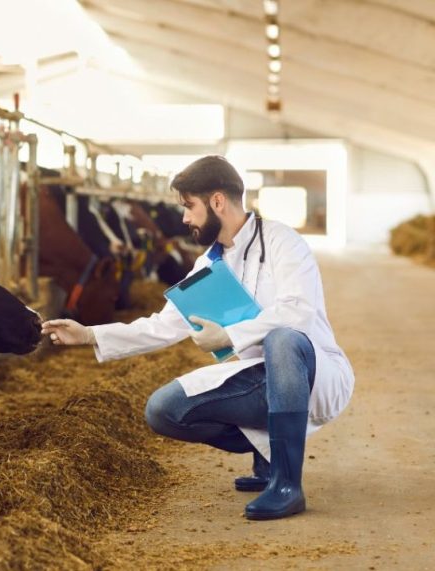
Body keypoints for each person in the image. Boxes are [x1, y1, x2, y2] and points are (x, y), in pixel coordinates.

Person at [41, 155, 354, 521]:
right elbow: (165, 324)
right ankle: (268, 457)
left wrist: (229, 333)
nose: (185, 218)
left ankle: (287, 484)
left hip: (313, 375)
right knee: (164, 410)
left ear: (217, 201)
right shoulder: (209, 263)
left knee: (282, 339)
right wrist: (90, 334)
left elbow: (297, 311)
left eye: (189, 206)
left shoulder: (284, 242)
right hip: (260, 379)